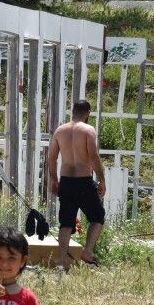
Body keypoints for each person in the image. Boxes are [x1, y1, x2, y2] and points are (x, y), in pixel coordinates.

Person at [46, 99, 106, 269]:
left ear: (72, 111)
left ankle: (62, 260)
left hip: (66, 181)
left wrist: (54, 179)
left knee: (66, 222)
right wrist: (102, 179)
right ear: (87, 113)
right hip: (84, 181)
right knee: (97, 217)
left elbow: (51, 158)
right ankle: (87, 251)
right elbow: (94, 157)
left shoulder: (60, 131)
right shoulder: (88, 130)